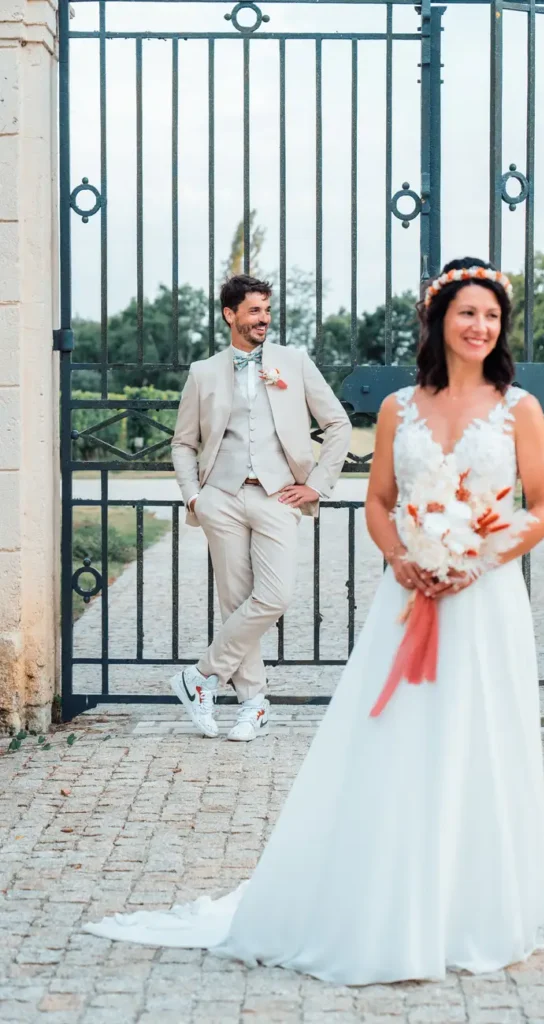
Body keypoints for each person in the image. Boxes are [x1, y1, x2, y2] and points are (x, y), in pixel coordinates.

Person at [85, 256, 544, 985]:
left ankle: (469, 904)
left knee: (479, 738)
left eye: (491, 316)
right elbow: (377, 503)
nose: (480, 326)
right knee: (399, 739)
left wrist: (475, 558)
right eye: (467, 312)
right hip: (406, 597)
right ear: (439, 322)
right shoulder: (401, 408)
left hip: (485, 597)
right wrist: (402, 556)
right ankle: (386, 897)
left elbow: (543, 506)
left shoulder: (518, 408)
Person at [169, 273, 351, 741]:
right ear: (230, 315)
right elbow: (184, 443)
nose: (263, 320)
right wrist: (194, 497)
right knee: (234, 602)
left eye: (267, 311)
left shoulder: (294, 361)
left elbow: (338, 424)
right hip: (221, 497)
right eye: (254, 311)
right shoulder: (203, 372)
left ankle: (200, 677)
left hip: (277, 495)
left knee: (274, 595)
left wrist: (317, 484)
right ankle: (253, 704)